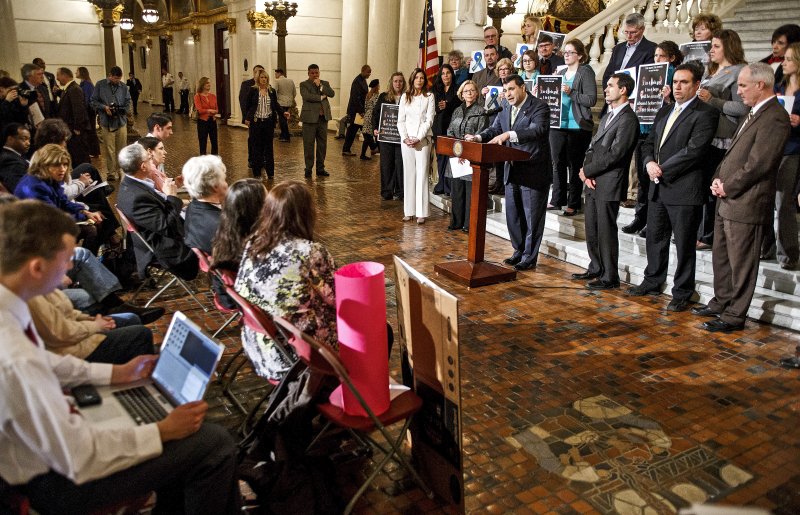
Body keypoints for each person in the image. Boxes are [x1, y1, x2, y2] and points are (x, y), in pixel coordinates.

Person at [0, 200, 240, 515]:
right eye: (66, 259)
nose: (70, 268)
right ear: (37, 267)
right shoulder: (14, 356)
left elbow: (46, 363)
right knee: (214, 443)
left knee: (176, 434)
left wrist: (116, 375)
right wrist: (162, 431)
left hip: (44, 454)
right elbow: (80, 454)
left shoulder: (11, 309)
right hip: (54, 482)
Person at [692, 63, 791, 332]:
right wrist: (717, 178)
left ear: (761, 85)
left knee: (742, 262)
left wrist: (729, 186)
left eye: (743, 85)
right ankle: (721, 301)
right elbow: (734, 153)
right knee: (722, 257)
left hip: (747, 200)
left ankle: (735, 315)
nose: (739, 91)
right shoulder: (753, 112)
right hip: (728, 199)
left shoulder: (775, 117)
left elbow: (760, 164)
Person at [626, 64, 719, 311]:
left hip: (684, 188)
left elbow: (695, 151)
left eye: (684, 82)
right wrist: (648, 163)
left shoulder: (705, 113)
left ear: (697, 85)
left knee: (685, 244)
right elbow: (648, 143)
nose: (677, 87)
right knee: (655, 239)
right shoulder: (663, 111)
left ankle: (682, 291)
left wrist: (662, 167)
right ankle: (653, 280)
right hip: (658, 187)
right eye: (675, 82)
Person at [235, 180, 338, 381]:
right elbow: (337, 298)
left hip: (259, 346)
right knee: (377, 330)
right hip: (297, 356)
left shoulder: (253, 243)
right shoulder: (310, 252)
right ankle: (358, 393)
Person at [466, 74, 551, 271]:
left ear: (523, 88)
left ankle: (529, 257)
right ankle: (518, 251)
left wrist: (509, 135)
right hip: (511, 170)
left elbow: (537, 131)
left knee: (532, 219)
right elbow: (495, 129)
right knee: (514, 216)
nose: (508, 94)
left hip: (533, 171)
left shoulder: (539, 107)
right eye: (505, 91)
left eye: (511, 89)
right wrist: (478, 137)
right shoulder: (505, 108)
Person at [573, 73, 640, 290]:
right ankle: (596, 267)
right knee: (592, 228)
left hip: (610, 181)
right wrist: (586, 171)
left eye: (611, 85)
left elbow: (616, 154)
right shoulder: (609, 114)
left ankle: (610, 277)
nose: (606, 89)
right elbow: (594, 146)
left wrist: (588, 171)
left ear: (623, 90)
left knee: (605, 230)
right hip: (594, 179)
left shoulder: (628, 118)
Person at [695, 29, 748, 251]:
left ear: (729, 47)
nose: (711, 50)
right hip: (705, 135)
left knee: (713, 187)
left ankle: (709, 235)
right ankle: (702, 231)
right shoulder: (714, 72)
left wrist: (713, 100)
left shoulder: (739, 72)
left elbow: (743, 106)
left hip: (723, 138)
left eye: (716, 46)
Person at [116, 143, 199, 281]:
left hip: (177, 230)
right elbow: (167, 226)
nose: (151, 161)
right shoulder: (136, 197)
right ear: (143, 166)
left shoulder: (133, 185)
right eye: (149, 159)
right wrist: (171, 197)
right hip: (174, 249)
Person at [624, 40, 683, 231]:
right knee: (642, 178)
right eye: (655, 56)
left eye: (662, 56)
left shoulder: (675, 76)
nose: (657, 59)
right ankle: (640, 218)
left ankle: (654, 221)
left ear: (671, 58)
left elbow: (679, 107)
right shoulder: (647, 73)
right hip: (643, 129)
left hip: (662, 133)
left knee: (654, 179)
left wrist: (669, 98)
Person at [29, 281, 155, 365]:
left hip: (73, 334)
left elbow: (65, 312)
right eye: (64, 260)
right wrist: (96, 326)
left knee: (131, 318)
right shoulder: (31, 294)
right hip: (67, 349)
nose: (69, 266)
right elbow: (60, 333)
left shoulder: (40, 283)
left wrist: (88, 319)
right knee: (141, 335)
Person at [14, 144, 105, 254]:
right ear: (44, 164)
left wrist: (85, 212)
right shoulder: (35, 186)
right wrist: (82, 216)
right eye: (57, 165)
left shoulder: (48, 179)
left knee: (93, 226)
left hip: (47, 226)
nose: (62, 169)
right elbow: (53, 217)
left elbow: (63, 201)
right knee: (91, 230)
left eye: (65, 165)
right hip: (36, 238)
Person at [547, 39, 597, 216]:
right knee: (557, 163)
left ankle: (573, 202)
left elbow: (591, 100)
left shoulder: (585, 71)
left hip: (578, 126)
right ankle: (557, 199)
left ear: (580, 55)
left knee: (574, 166)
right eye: (565, 52)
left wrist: (571, 92)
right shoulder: (559, 71)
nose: (566, 55)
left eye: (570, 52)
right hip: (557, 123)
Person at [761, 42, 800, 269]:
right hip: (773, 147)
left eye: (788, 59)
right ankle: (766, 247)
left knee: (783, 201)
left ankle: (789, 254)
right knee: (765, 199)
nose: (783, 63)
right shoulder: (778, 86)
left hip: (793, 149)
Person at [211, 178, 267, 310]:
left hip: (230, 295)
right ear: (256, 208)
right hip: (248, 301)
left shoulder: (226, 233)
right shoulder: (253, 247)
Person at [446, 80, 487, 232]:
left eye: (472, 90)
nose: (469, 93)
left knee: (470, 192)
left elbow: (481, 133)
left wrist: (466, 151)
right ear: (461, 94)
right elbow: (450, 131)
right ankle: (456, 221)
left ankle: (468, 224)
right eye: (466, 91)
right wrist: (458, 151)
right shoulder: (457, 110)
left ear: (476, 93)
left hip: (471, 157)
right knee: (457, 191)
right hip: (457, 156)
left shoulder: (481, 111)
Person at [397, 68, 435, 224]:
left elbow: (429, 120)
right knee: (409, 173)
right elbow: (401, 120)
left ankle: (421, 212)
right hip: (406, 142)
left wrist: (418, 138)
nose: (419, 80)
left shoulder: (429, 97)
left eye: (422, 78)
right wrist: (405, 138)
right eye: (417, 77)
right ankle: (409, 211)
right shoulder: (405, 97)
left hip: (423, 141)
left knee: (422, 174)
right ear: (412, 80)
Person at [601, 13, 657, 116]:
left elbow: (647, 78)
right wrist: (608, 94)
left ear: (642, 29)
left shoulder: (651, 49)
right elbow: (608, 74)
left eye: (633, 32)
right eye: (626, 32)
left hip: (632, 102)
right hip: (612, 101)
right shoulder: (618, 48)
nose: (629, 36)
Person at [244, 69, 288, 179]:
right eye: (262, 77)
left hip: (268, 122)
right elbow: (248, 106)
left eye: (265, 77)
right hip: (256, 122)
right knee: (256, 148)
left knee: (268, 148)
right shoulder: (253, 90)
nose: (264, 79)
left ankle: (271, 173)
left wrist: (283, 113)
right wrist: (247, 118)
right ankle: (257, 173)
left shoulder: (271, 91)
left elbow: (275, 104)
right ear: (258, 79)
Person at [91, 66, 131, 182]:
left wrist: (124, 110)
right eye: (115, 78)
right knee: (109, 148)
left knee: (121, 148)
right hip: (106, 122)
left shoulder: (123, 87)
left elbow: (128, 101)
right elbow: (93, 101)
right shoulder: (100, 85)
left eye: (119, 79)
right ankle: (111, 172)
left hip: (121, 121)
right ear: (110, 75)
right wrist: (104, 107)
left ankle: (120, 170)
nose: (117, 81)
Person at [183, 154, 229, 255]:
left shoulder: (192, 207)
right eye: (224, 180)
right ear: (215, 186)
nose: (227, 184)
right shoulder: (222, 224)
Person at [373, 72, 406, 201]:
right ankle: (387, 191)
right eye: (396, 81)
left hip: (401, 137)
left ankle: (400, 191)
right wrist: (375, 128)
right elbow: (376, 114)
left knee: (400, 164)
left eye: (400, 81)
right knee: (386, 164)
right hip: (386, 137)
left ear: (404, 83)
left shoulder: (407, 97)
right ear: (391, 83)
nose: (398, 83)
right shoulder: (384, 97)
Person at [300, 64, 335, 178]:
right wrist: (320, 97)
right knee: (308, 144)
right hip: (309, 119)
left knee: (322, 145)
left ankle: (320, 168)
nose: (315, 75)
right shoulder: (304, 84)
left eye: (317, 73)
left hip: (322, 119)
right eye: (312, 73)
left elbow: (332, 94)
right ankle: (308, 169)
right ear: (308, 73)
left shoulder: (324, 83)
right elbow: (307, 96)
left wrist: (320, 86)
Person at [432, 64, 460, 195]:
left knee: (450, 157)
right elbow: (433, 107)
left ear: (451, 74)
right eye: (443, 73)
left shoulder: (457, 88)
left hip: (452, 127)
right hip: (438, 128)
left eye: (448, 73)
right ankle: (441, 183)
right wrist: (440, 107)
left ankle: (448, 186)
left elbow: (459, 106)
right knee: (440, 158)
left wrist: (448, 105)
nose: (445, 76)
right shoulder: (436, 89)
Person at [55, 67, 90, 167]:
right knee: (75, 157)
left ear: (64, 75)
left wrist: (77, 128)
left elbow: (78, 109)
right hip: (71, 130)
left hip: (75, 132)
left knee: (80, 158)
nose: (57, 78)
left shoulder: (74, 89)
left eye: (58, 75)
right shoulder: (69, 89)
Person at [342, 64, 371, 156]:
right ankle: (373, 147)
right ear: (362, 71)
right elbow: (356, 98)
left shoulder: (362, 80)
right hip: (356, 111)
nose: (369, 74)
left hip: (358, 111)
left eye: (370, 72)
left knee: (359, 130)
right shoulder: (357, 81)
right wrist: (361, 111)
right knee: (354, 131)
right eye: (368, 72)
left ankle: (373, 148)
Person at [0, 123, 30, 192]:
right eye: (24, 139)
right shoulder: (9, 160)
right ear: (10, 139)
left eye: (29, 139)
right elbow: (20, 189)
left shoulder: (16, 156)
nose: (28, 143)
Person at [77, 67, 100, 156]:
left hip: (89, 111)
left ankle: (94, 151)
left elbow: (87, 99)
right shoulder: (84, 84)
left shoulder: (87, 84)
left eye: (77, 72)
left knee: (91, 131)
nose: (76, 73)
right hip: (88, 110)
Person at [193, 77, 218, 155]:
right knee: (203, 143)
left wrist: (211, 112)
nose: (209, 84)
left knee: (214, 142)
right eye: (207, 83)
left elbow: (217, 109)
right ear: (203, 84)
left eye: (209, 83)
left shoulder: (213, 96)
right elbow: (199, 110)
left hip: (212, 121)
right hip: (202, 122)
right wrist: (209, 110)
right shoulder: (197, 96)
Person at [360, 78, 381, 160]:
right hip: (372, 116)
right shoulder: (376, 96)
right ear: (376, 86)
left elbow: (365, 106)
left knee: (367, 136)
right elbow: (377, 107)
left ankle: (364, 154)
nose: (379, 86)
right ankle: (374, 149)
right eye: (378, 85)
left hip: (367, 115)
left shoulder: (368, 95)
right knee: (369, 135)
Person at [274, 68, 296, 142]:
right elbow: (294, 92)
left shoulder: (277, 81)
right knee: (284, 119)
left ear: (279, 73)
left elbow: (274, 92)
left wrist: (275, 101)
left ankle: (285, 136)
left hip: (280, 103)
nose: (275, 75)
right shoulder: (290, 81)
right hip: (289, 102)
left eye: (276, 74)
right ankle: (283, 135)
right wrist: (291, 99)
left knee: (282, 119)